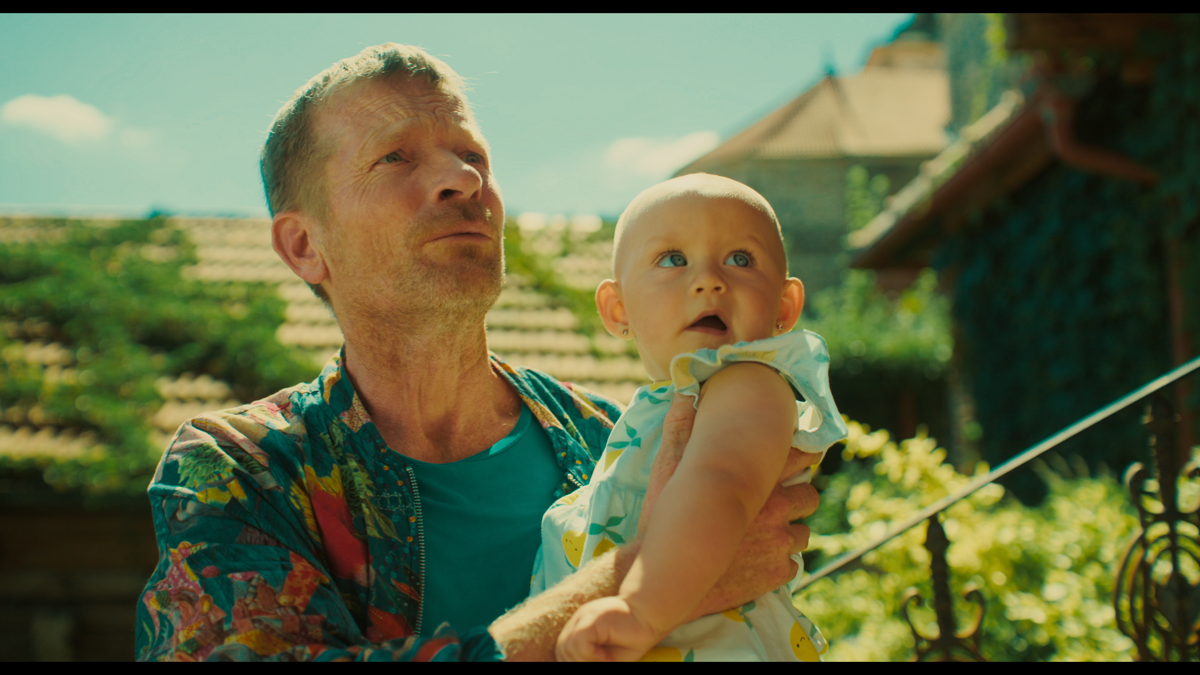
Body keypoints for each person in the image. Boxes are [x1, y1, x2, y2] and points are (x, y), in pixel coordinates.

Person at [135, 43, 823, 662]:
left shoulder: (610, 438)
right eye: (395, 156)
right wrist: (642, 576)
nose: (462, 179)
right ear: (304, 245)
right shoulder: (240, 469)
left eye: (474, 156)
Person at [542, 174, 848, 662]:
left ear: (785, 307)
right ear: (618, 309)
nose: (709, 280)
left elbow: (717, 486)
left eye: (740, 259)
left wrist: (641, 609)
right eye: (673, 259)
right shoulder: (660, 409)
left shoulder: (746, 384)